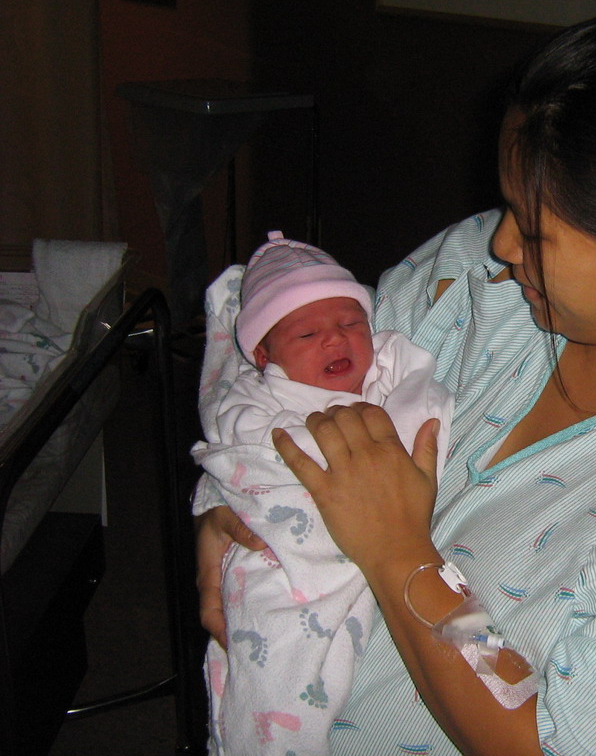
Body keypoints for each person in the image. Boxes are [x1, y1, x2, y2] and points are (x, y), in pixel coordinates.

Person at [195, 10, 596, 755]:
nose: (500, 242)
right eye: (508, 208)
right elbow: (291, 372)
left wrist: (402, 558)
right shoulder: (475, 281)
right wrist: (227, 507)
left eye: (533, 232)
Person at [190, 232, 452, 755]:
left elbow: (423, 406)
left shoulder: (389, 373)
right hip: (287, 560)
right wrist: (212, 505)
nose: (336, 339)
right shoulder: (260, 396)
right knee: (278, 672)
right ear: (264, 356)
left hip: (417, 576)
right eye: (308, 333)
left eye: (352, 324)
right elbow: (243, 450)